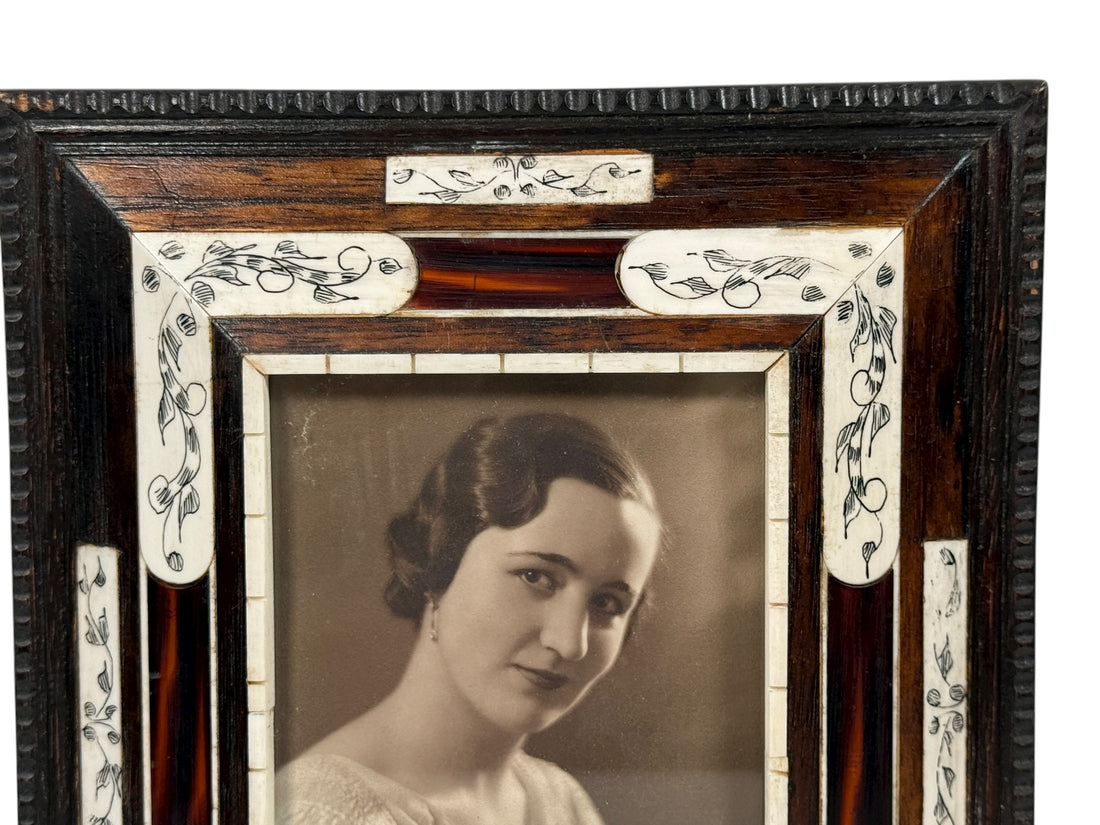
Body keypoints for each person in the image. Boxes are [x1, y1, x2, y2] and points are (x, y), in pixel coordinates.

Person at [276, 412, 662, 825]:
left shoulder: (558, 800)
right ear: (440, 567)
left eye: (606, 603)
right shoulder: (325, 812)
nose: (570, 642)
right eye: (536, 576)